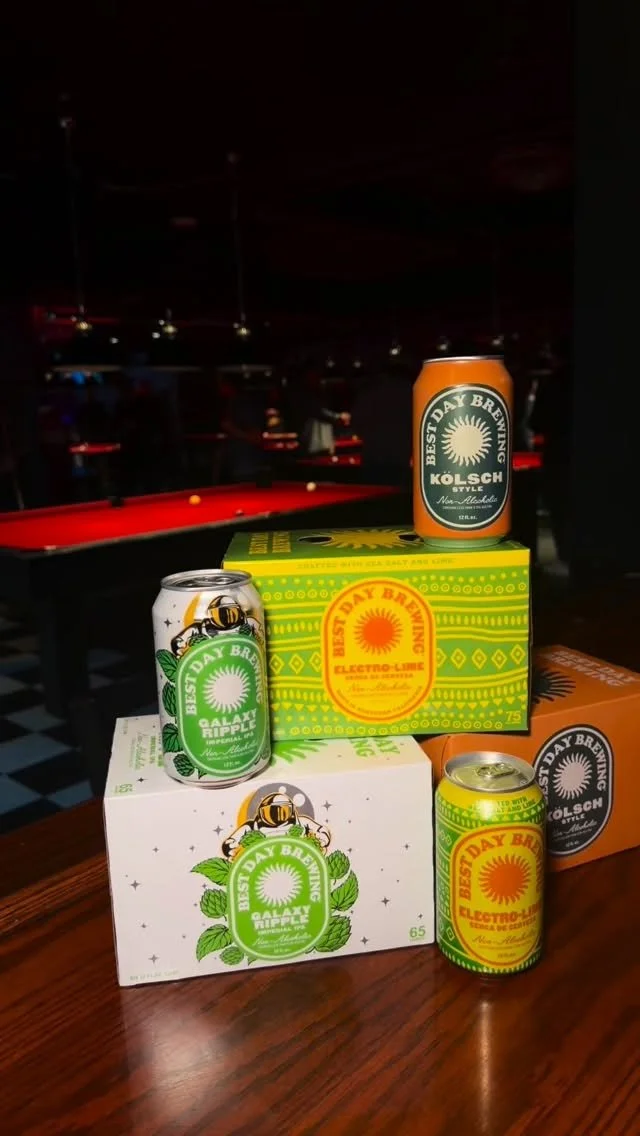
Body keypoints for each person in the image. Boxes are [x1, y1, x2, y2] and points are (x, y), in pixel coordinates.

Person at [350, 360, 414, 486]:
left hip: (373, 457)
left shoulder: (368, 392)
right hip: (399, 456)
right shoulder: (410, 390)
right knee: (397, 492)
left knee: (372, 492)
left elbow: (356, 424)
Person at [217, 376, 267, 482]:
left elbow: (256, 438)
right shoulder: (233, 403)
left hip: (247, 467)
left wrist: (231, 429)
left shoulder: (245, 405)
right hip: (237, 466)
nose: (219, 388)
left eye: (221, 384)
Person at [299, 371, 350, 456]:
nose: (319, 381)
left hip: (321, 445)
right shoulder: (306, 395)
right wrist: (339, 416)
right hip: (315, 445)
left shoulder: (318, 394)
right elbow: (318, 412)